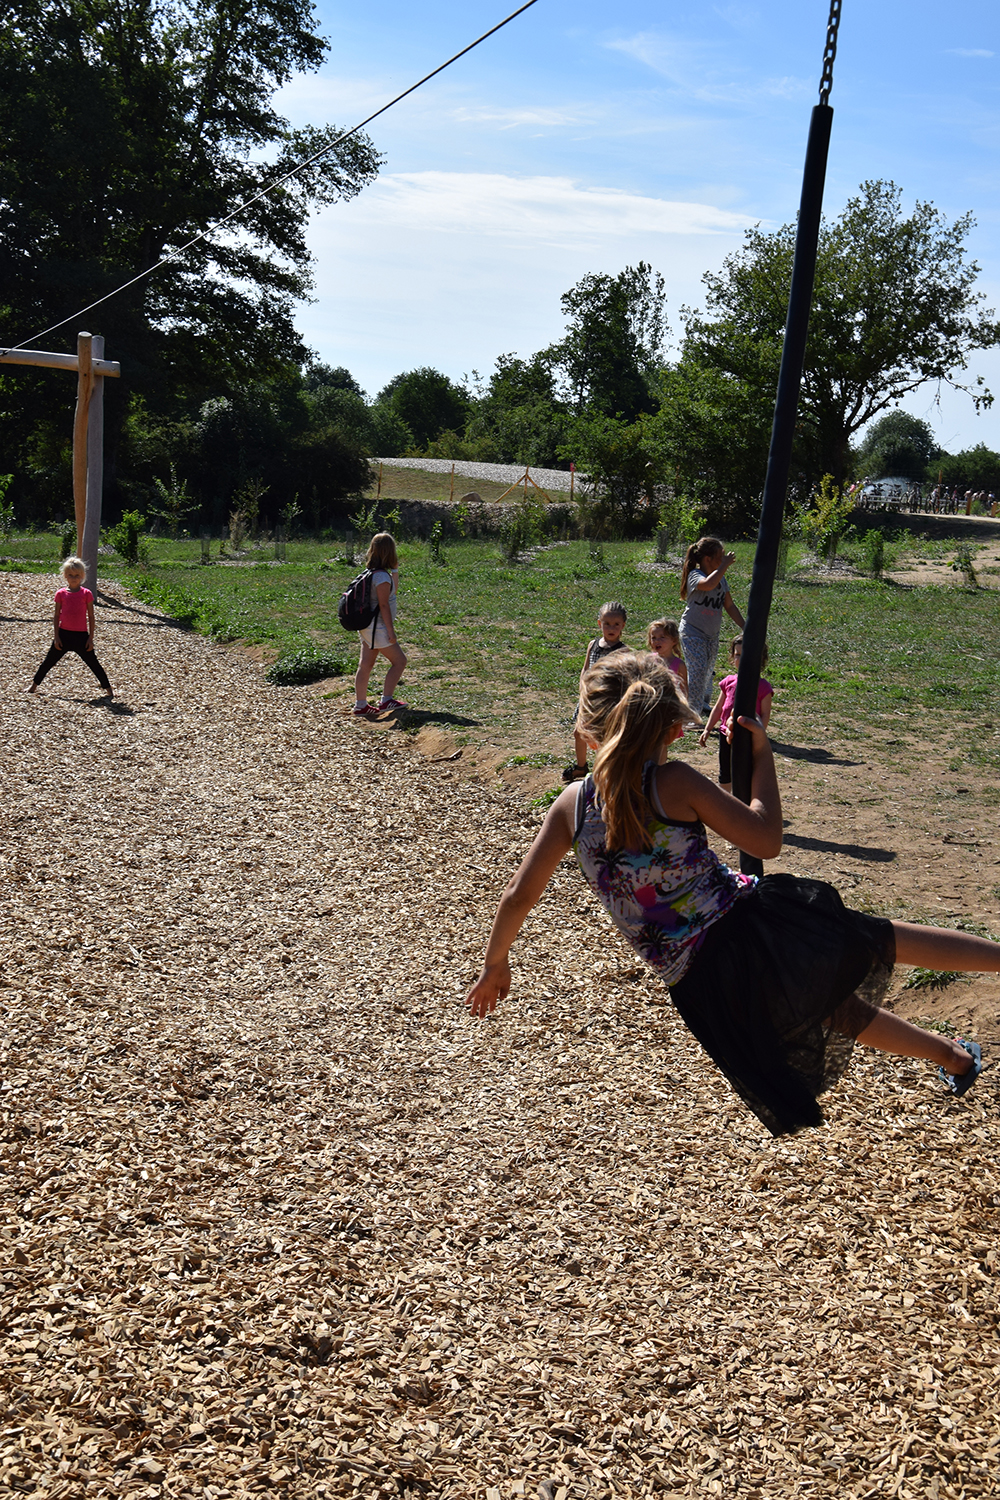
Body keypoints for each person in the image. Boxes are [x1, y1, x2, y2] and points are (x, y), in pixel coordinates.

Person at [465, 652, 989, 1137]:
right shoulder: (675, 782)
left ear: (586, 727)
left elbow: (518, 896)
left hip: (701, 980)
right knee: (879, 940)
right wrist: (762, 755)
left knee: (833, 1009)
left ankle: (954, 1058)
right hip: (744, 926)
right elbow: (765, 839)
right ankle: (963, 1034)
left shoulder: (571, 806)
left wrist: (495, 963)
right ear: (674, 727)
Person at [561, 601, 630, 783]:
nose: (611, 628)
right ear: (599, 623)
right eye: (607, 624)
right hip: (589, 698)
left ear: (623, 625)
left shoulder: (623, 651)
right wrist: (583, 688)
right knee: (579, 733)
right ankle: (581, 767)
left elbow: (624, 679)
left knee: (602, 738)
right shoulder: (593, 645)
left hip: (606, 701)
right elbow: (586, 669)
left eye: (616, 624)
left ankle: (605, 770)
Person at [28, 556, 114, 699]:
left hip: (81, 636)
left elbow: (91, 616)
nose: (73, 578)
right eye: (70, 575)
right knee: (48, 661)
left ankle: (109, 690)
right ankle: (33, 686)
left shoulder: (86, 594)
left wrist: (91, 638)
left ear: (82, 576)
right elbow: (56, 615)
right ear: (65, 576)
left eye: (77, 575)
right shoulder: (61, 594)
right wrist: (56, 636)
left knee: (94, 663)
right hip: (64, 635)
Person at [678, 536, 745, 718]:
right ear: (708, 559)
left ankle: (700, 704)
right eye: (720, 557)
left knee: (707, 672)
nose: (723, 560)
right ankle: (691, 715)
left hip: (711, 635)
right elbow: (708, 585)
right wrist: (724, 565)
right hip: (692, 632)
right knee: (698, 672)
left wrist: (745, 626)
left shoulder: (721, 580)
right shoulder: (695, 575)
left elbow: (729, 605)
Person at [699, 636, 773, 794]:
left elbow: (765, 714)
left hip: (748, 737)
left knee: (745, 772)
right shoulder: (728, 682)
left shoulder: (763, 687)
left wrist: (758, 735)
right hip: (726, 734)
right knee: (725, 772)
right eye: (737, 654)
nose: (741, 658)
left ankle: (745, 802)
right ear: (732, 658)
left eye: (746, 654)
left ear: (759, 658)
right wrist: (707, 729)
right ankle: (725, 801)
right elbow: (718, 708)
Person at [353, 532, 408, 717]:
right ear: (390, 552)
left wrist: (395, 570)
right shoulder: (382, 577)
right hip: (379, 628)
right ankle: (386, 700)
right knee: (400, 661)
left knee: (365, 664)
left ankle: (361, 705)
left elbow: (392, 591)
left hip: (367, 627)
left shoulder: (372, 574)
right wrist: (391, 632)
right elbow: (384, 605)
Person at [646, 618, 688, 695]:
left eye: (662, 637)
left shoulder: (679, 665)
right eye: (653, 638)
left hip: (669, 699)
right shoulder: (648, 660)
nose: (657, 641)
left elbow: (684, 689)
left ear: (674, 640)